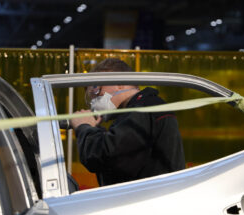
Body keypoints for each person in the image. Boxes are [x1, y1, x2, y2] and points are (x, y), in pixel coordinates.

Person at [70, 58, 185, 186]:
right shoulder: (138, 111)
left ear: (120, 82)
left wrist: (84, 127)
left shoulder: (145, 109)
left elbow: (103, 156)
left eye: (97, 90)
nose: (94, 101)